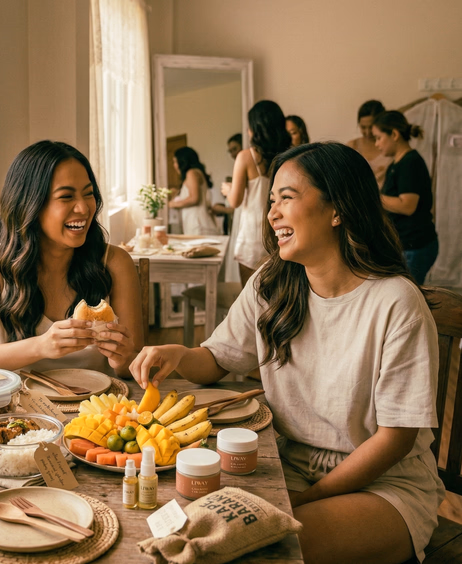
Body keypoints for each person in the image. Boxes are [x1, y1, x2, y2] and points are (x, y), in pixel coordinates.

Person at [131, 142, 444, 564]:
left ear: (338, 210)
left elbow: (395, 439)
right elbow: (218, 360)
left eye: (287, 198)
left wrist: (304, 498)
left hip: (384, 486)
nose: (271, 213)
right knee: (180, 525)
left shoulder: (395, 303)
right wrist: (178, 354)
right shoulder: (272, 284)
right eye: (272, 199)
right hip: (288, 467)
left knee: (260, 550)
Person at [0, 140, 143, 377]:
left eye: (88, 194)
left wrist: (123, 357)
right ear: (30, 204)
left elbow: (131, 366)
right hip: (19, 410)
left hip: (97, 409)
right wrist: (42, 346)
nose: (84, 208)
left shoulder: (115, 262)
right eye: (66, 197)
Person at [222, 100, 292, 286]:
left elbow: (234, 201)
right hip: (282, 230)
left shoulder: (246, 157)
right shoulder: (291, 155)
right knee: (282, 294)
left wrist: (228, 190)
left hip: (253, 235)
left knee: (252, 298)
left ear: (255, 128)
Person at [373, 111, 439, 284]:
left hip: (415, 246)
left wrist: (372, 197)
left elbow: (407, 205)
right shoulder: (398, 163)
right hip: (406, 245)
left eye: (379, 137)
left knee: (410, 296)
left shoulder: (410, 163)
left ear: (394, 134)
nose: (376, 144)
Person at [169, 146, 220, 236]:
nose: (174, 165)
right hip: (198, 224)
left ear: (182, 161)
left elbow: (194, 199)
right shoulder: (196, 173)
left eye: (175, 162)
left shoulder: (192, 173)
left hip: (199, 224)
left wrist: (172, 204)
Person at [347, 99, 392, 188]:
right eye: (363, 127)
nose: (367, 132)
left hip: (388, 200)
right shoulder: (352, 146)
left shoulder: (391, 147)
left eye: (371, 127)